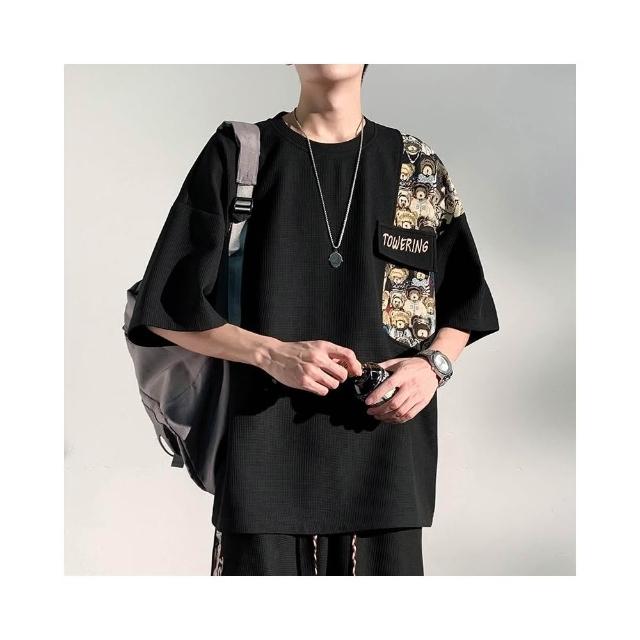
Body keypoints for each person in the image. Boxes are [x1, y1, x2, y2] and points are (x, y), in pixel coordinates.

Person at [127, 64, 499, 576]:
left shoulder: (417, 166)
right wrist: (272, 353)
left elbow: (466, 300)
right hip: (264, 466)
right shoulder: (240, 154)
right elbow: (165, 307)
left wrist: (432, 367)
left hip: (387, 470)